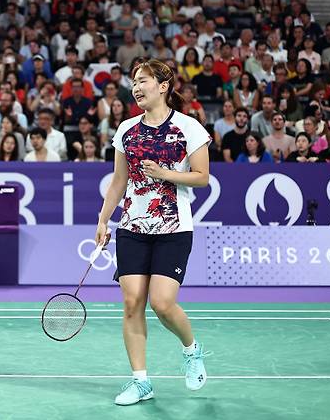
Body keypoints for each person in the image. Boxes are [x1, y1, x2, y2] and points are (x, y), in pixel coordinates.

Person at [95, 59, 210, 406]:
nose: (136, 86)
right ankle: (141, 381)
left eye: (143, 80)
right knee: (132, 303)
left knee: (162, 303)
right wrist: (103, 219)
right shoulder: (127, 130)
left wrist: (165, 173)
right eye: (133, 81)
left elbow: (202, 177)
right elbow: (119, 180)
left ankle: (192, 350)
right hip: (132, 226)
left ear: (163, 86)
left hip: (174, 227)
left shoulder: (189, 128)